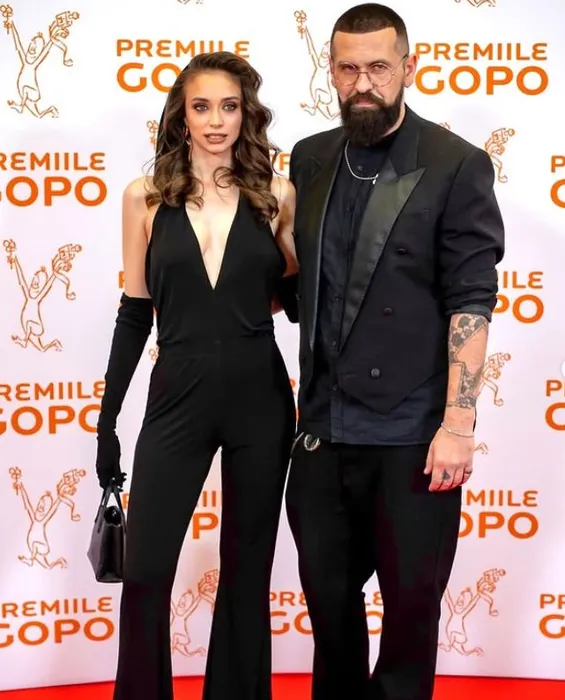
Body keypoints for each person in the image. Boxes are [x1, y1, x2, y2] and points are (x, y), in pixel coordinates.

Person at [282, 4, 505, 700]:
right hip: (321, 430)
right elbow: (296, 283)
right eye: (348, 68)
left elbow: (471, 299)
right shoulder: (310, 157)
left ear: (409, 67)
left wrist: (458, 425)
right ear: (330, 71)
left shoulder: (454, 163)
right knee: (329, 610)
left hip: (412, 434)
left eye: (378, 66)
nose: (363, 83)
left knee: (411, 613)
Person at [94, 51, 297, 700]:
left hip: (261, 398)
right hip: (176, 393)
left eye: (229, 107)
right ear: (181, 117)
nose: (216, 121)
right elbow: (134, 311)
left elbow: (293, 297)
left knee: (246, 571)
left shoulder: (276, 196)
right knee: (146, 572)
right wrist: (107, 422)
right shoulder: (144, 197)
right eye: (201, 106)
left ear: (245, 114)